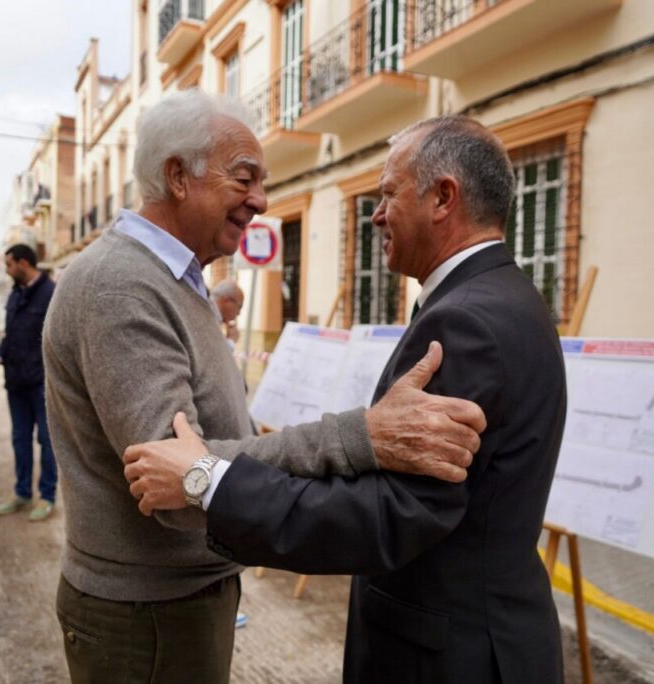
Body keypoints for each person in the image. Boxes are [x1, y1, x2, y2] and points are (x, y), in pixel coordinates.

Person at [42, 90, 485, 684]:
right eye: (244, 178)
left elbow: (201, 459)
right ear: (177, 176)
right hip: (146, 612)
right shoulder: (122, 286)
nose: (261, 201)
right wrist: (361, 438)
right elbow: (175, 486)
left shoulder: (174, 278)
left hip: (173, 598)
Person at [124, 116, 568, 683]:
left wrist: (209, 481)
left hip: (452, 657)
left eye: (388, 193)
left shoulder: (467, 321)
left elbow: (391, 515)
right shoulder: (499, 296)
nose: (377, 213)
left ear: (443, 197)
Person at [0, 244, 57, 521]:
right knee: (20, 439)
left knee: (46, 440)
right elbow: (12, 336)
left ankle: (47, 496)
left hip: (43, 383)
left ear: (23, 263)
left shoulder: (51, 294)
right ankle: (22, 493)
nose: (7, 270)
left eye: (9, 264)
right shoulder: (15, 295)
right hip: (16, 382)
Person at [211, 279, 243, 348]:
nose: (238, 313)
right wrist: (231, 340)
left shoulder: (212, 314)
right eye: (239, 307)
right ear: (227, 300)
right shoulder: (209, 316)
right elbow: (216, 355)